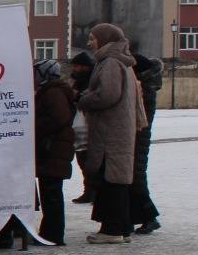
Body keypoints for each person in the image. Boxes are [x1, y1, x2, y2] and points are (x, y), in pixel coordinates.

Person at [76, 23, 146, 243]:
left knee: (111, 179)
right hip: (119, 130)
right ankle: (121, 227)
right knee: (116, 179)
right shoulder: (120, 62)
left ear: (105, 39)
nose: (89, 42)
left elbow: (107, 95)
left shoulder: (110, 63)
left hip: (110, 132)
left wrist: (83, 98)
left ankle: (112, 230)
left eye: (93, 38)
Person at [33, 57, 77, 245]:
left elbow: (58, 118)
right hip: (54, 148)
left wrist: (36, 127)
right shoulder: (52, 91)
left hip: (52, 149)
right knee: (50, 193)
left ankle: (52, 234)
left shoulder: (52, 92)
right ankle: (49, 232)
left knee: (51, 194)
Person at [130, 48, 163, 234]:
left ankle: (150, 216)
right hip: (139, 135)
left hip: (139, 136)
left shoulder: (145, 90)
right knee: (135, 177)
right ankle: (144, 217)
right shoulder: (146, 86)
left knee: (137, 177)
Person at [69, 51, 97, 204]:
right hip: (78, 122)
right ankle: (89, 190)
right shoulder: (77, 80)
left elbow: (88, 97)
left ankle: (92, 190)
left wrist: (77, 96)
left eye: (78, 66)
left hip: (87, 123)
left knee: (88, 159)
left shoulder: (91, 80)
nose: (75, 69)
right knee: (82, 158)